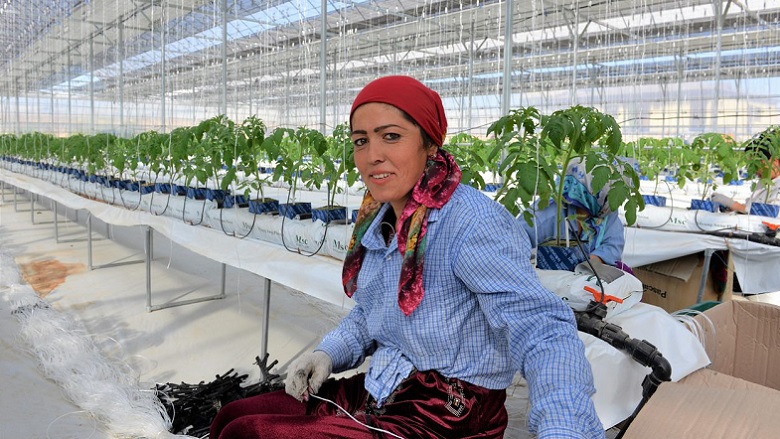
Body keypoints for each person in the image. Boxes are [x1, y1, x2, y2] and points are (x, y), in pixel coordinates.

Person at [210, 76, 604, 439]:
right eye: (361, 140)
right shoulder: (381, 219)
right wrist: (327, 353)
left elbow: (542, 330)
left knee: (251, 435)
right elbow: (373, 310)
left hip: (452, 408)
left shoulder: (470, 223)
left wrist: (563, 426)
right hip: (390, 381)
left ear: (430, 144)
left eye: (391, 136)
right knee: (233, 416)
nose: (372, 155)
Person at [521, 158, 628, 272]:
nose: (613, 203)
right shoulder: (544, 216)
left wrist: (589, 263)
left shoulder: (605, 211)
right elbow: (513, 250)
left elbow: (614, 244)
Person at [711, 127, 780, 214]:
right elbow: (750, 207)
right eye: (752, 164)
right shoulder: (763, 182)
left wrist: (733, 204)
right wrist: (733, 207)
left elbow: (770, 213)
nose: (756, 170)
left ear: (775, 161)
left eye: (759, 163)